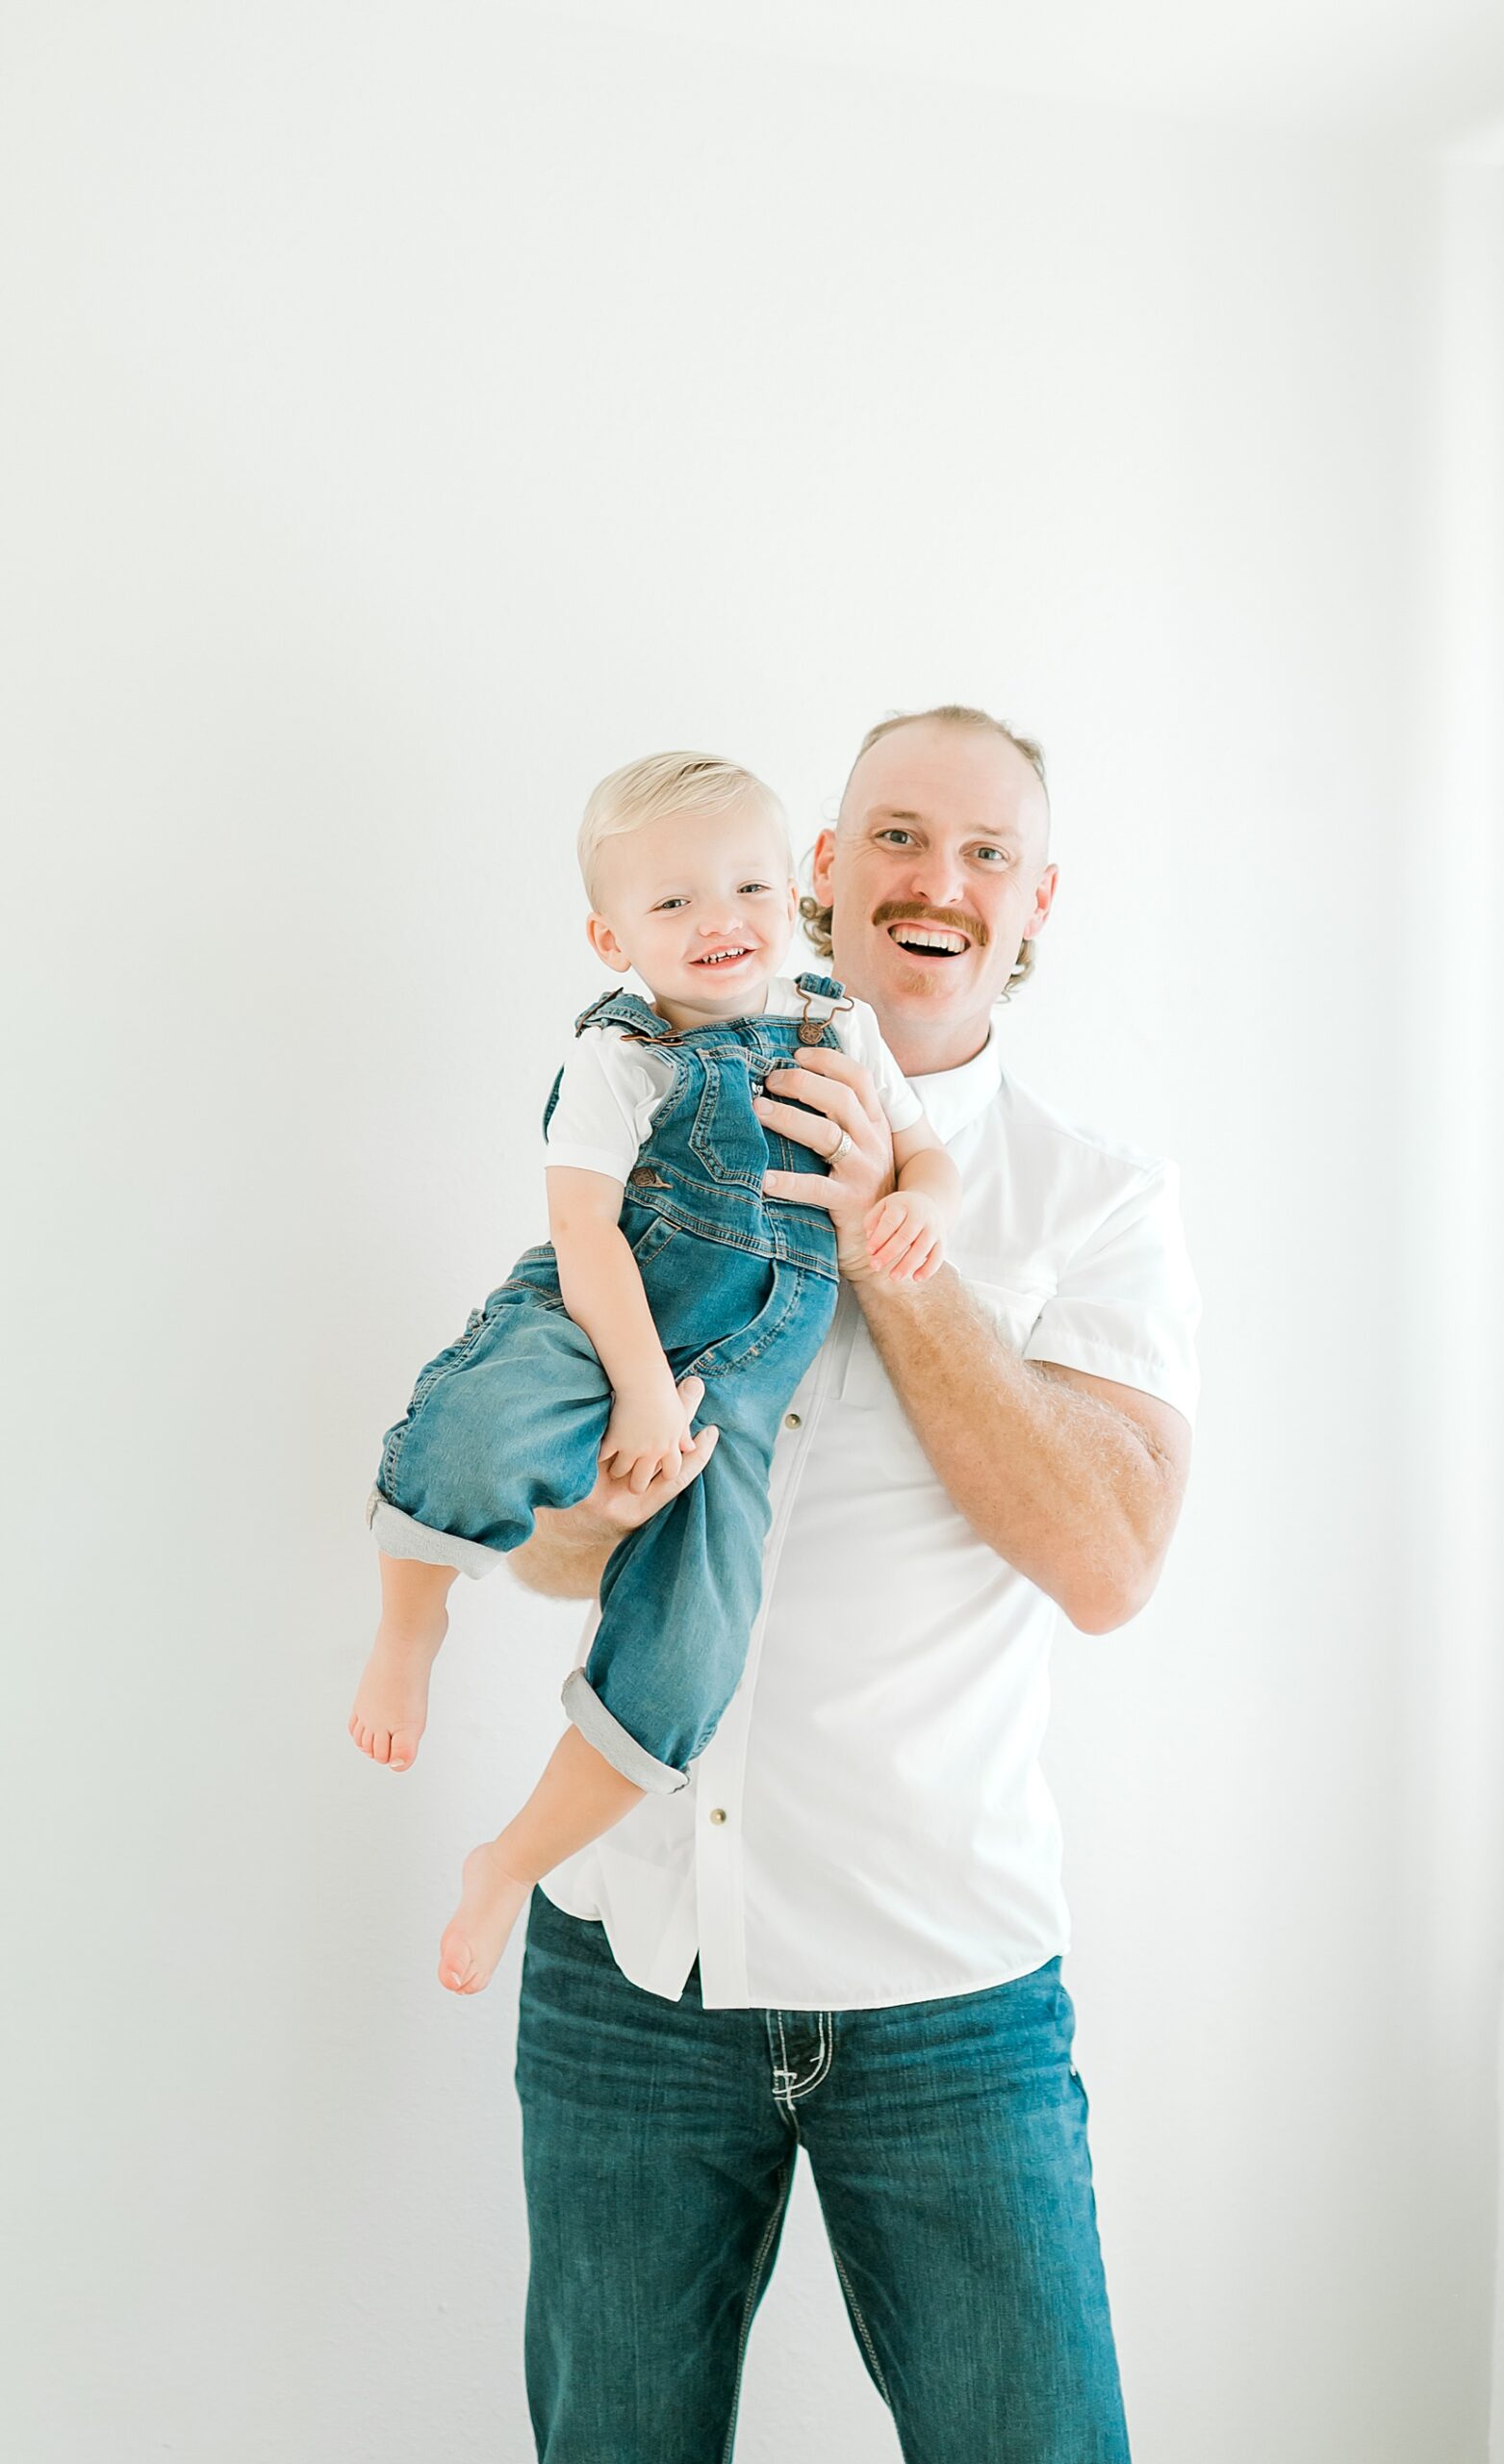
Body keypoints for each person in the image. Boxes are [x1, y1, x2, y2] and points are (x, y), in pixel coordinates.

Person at [506, 705, 1203, 2463]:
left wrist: (900, 1244)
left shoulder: (1095, 1205)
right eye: (896, 835)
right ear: (823, 872)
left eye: (987, 853)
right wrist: (592, 1507)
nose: (938, 880)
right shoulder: (649, 1129)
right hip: (630, 1961)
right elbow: (545, 1551)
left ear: (1039, 902)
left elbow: (1109, 1566)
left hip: (945, 1993)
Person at [347, 751, 959, 1994]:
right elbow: (583, 1239)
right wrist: (631, 1388)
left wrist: (927, 1209)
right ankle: (410, 1627)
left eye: (747, 887)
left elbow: (923, 1153)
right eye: (673, 903)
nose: (720, 922)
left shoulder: (839, 1024)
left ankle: (512, 1860)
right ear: (609, 934)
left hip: (737, 1400)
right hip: (601, 1320)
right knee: (482, 1421)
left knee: (689, 1662)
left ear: (796, 895)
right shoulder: (620, 1058)